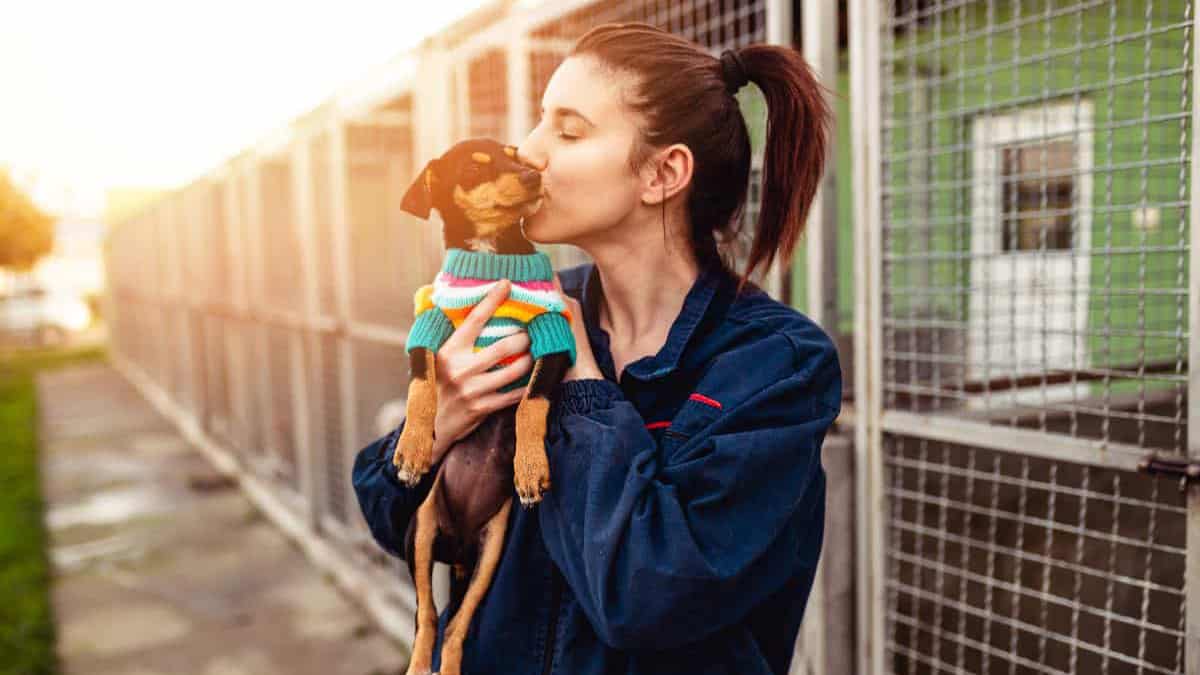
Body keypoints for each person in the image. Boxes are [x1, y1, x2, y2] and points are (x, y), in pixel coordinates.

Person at [352, 21, 841, 675]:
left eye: (568, 130)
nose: (527, 152)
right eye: (537, 122)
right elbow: (390, 517)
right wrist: (438, 428)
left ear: (664, 173)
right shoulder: (513, 305)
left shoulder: (776, 365)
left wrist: (579, 376)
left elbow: (646, 594)